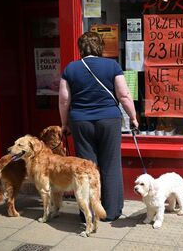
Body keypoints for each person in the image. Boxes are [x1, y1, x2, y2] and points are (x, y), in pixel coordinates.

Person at [59, 31, 139, 221]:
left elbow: (64, 100)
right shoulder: (112, 66)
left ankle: (89, 213)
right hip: (109, 120)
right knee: (111, 165)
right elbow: (124, 95)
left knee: (86, 168)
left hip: (80, 121)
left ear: (81, 48)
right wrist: (133, 117)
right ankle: (111, 212)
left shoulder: (70, 68)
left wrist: (64, 124)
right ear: (100, 47)